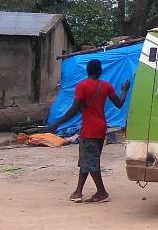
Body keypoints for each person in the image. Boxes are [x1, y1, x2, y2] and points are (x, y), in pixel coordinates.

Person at [46, 59, 130, 203]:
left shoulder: (82, 86)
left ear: (87, 71)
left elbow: (74, 109)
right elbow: (119, 104)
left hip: (89, 129)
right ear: (99, 71)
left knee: (90, 161)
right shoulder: (107, 86)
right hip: (101, 127)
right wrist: (124, 91)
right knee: (88, 159)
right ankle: (78, 191)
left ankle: (102, 192)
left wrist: (57, 123)